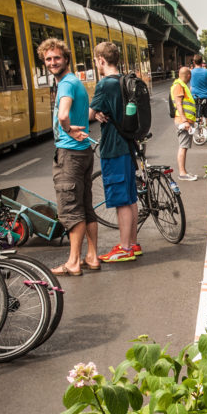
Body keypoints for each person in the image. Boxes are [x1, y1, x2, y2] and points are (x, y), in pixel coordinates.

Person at [39, 36, 99, 277]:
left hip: (70, 153)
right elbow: (83, 112)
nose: (52, 62)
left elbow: (64, 114)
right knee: (85, 207)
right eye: (48, 59)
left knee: (71, 209)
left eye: (56, 58)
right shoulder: (76, 81)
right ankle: (92, 256)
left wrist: (66, 127)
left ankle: (74, 262)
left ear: (66, 59)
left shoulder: (65, 84)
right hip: (83, 152)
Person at [89, 41, 140, 263]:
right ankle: (133, 243)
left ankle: (125, 248)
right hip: (127, 146)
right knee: (130, 198)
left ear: (101, 60)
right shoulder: (125, 81)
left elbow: (88, 114)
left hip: (114, 147)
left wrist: (95, 113)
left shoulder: (105, 85)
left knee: (121, 200)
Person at [171, 67, 199, 180]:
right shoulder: (179, 86)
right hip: (183, 121)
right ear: (188, 76)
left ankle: (184, 171)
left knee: (184, 146)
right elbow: (179, 104)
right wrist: (185, 121)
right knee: (183, 146)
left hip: (184, 120)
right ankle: (182, 173)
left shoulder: (181, 85)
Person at [189, 54, 207, 133]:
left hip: (195, 97)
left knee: (198, 116)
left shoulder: (191, 72)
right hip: (206, 96)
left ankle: (200, 134)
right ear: (202, 62)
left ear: (194, 62)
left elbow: (190, 85)